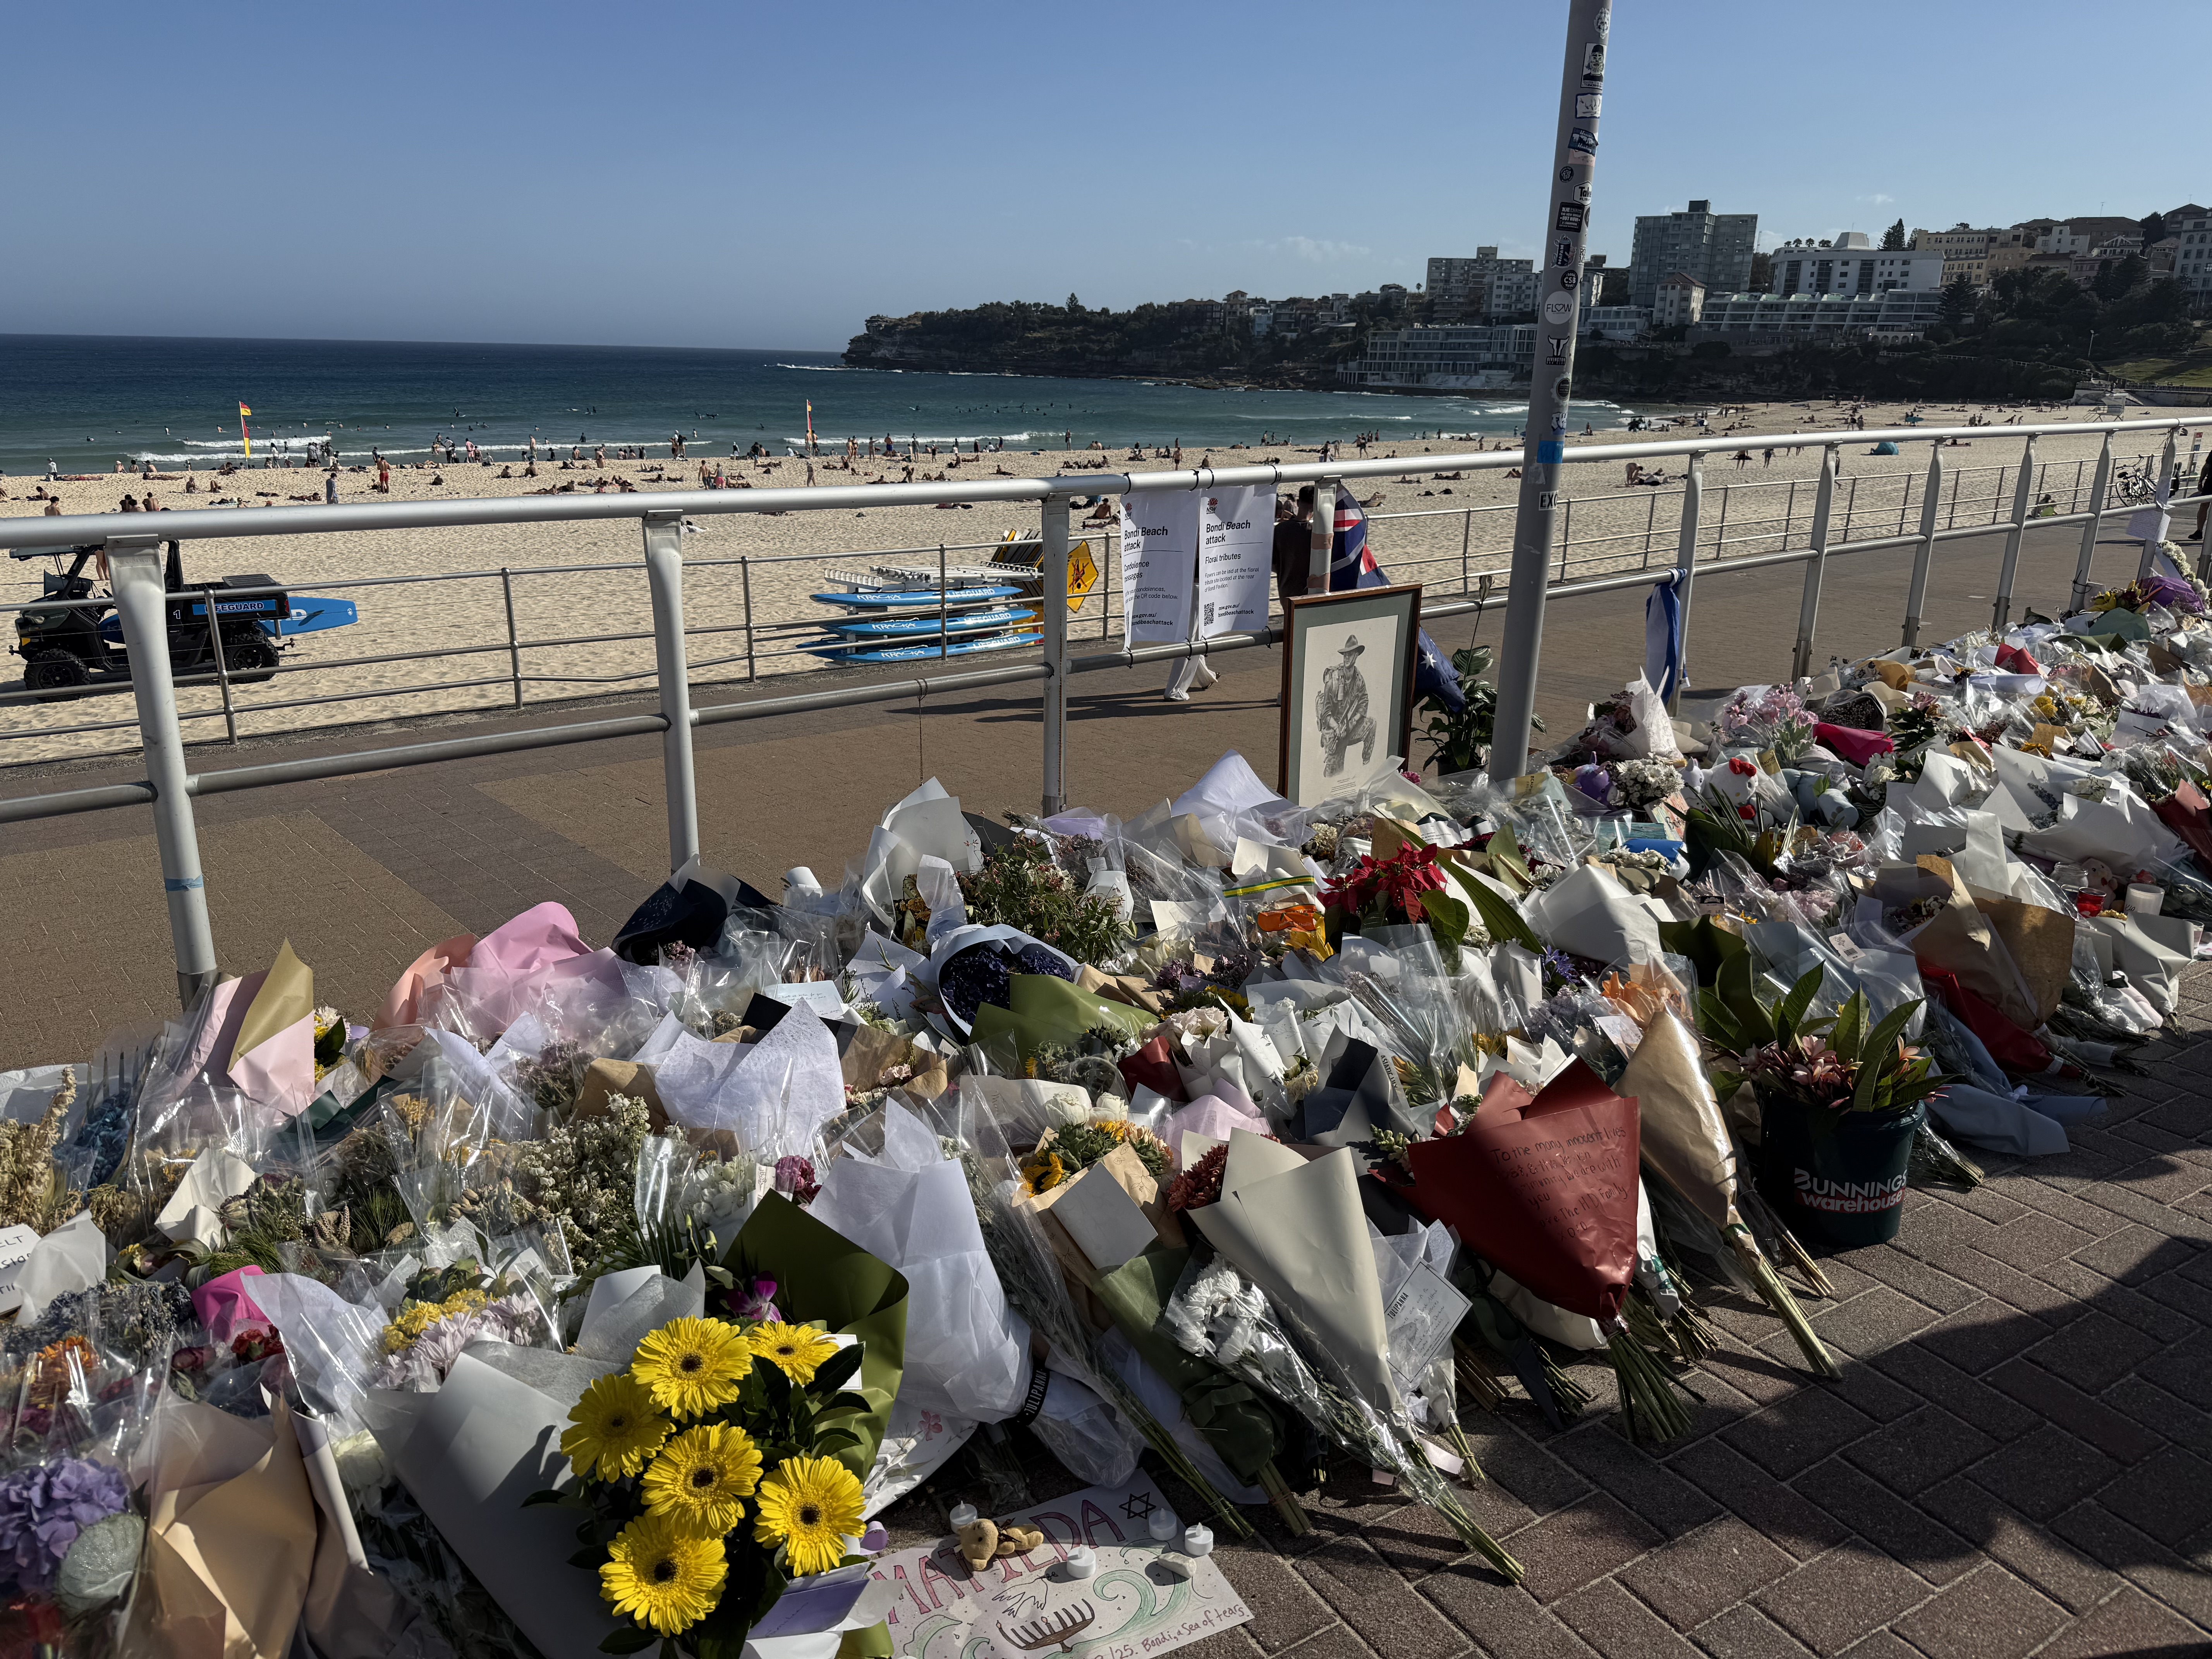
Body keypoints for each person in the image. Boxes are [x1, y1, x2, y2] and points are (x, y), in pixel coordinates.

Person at [1316, 636, 1376, 776]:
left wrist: (1354, 720)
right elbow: (1326, 714)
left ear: (1357, 655)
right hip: (1334, 730)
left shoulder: (1358, 678)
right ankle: (1331, 769)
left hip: (1350, 725)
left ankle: (1367, 765)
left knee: (1372, 724)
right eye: (1345, 655)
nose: (1347, 658)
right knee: (1335, 774)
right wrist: (1337, 728)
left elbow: (1364, 701)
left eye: (1350, 654)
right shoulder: (1334, 680)